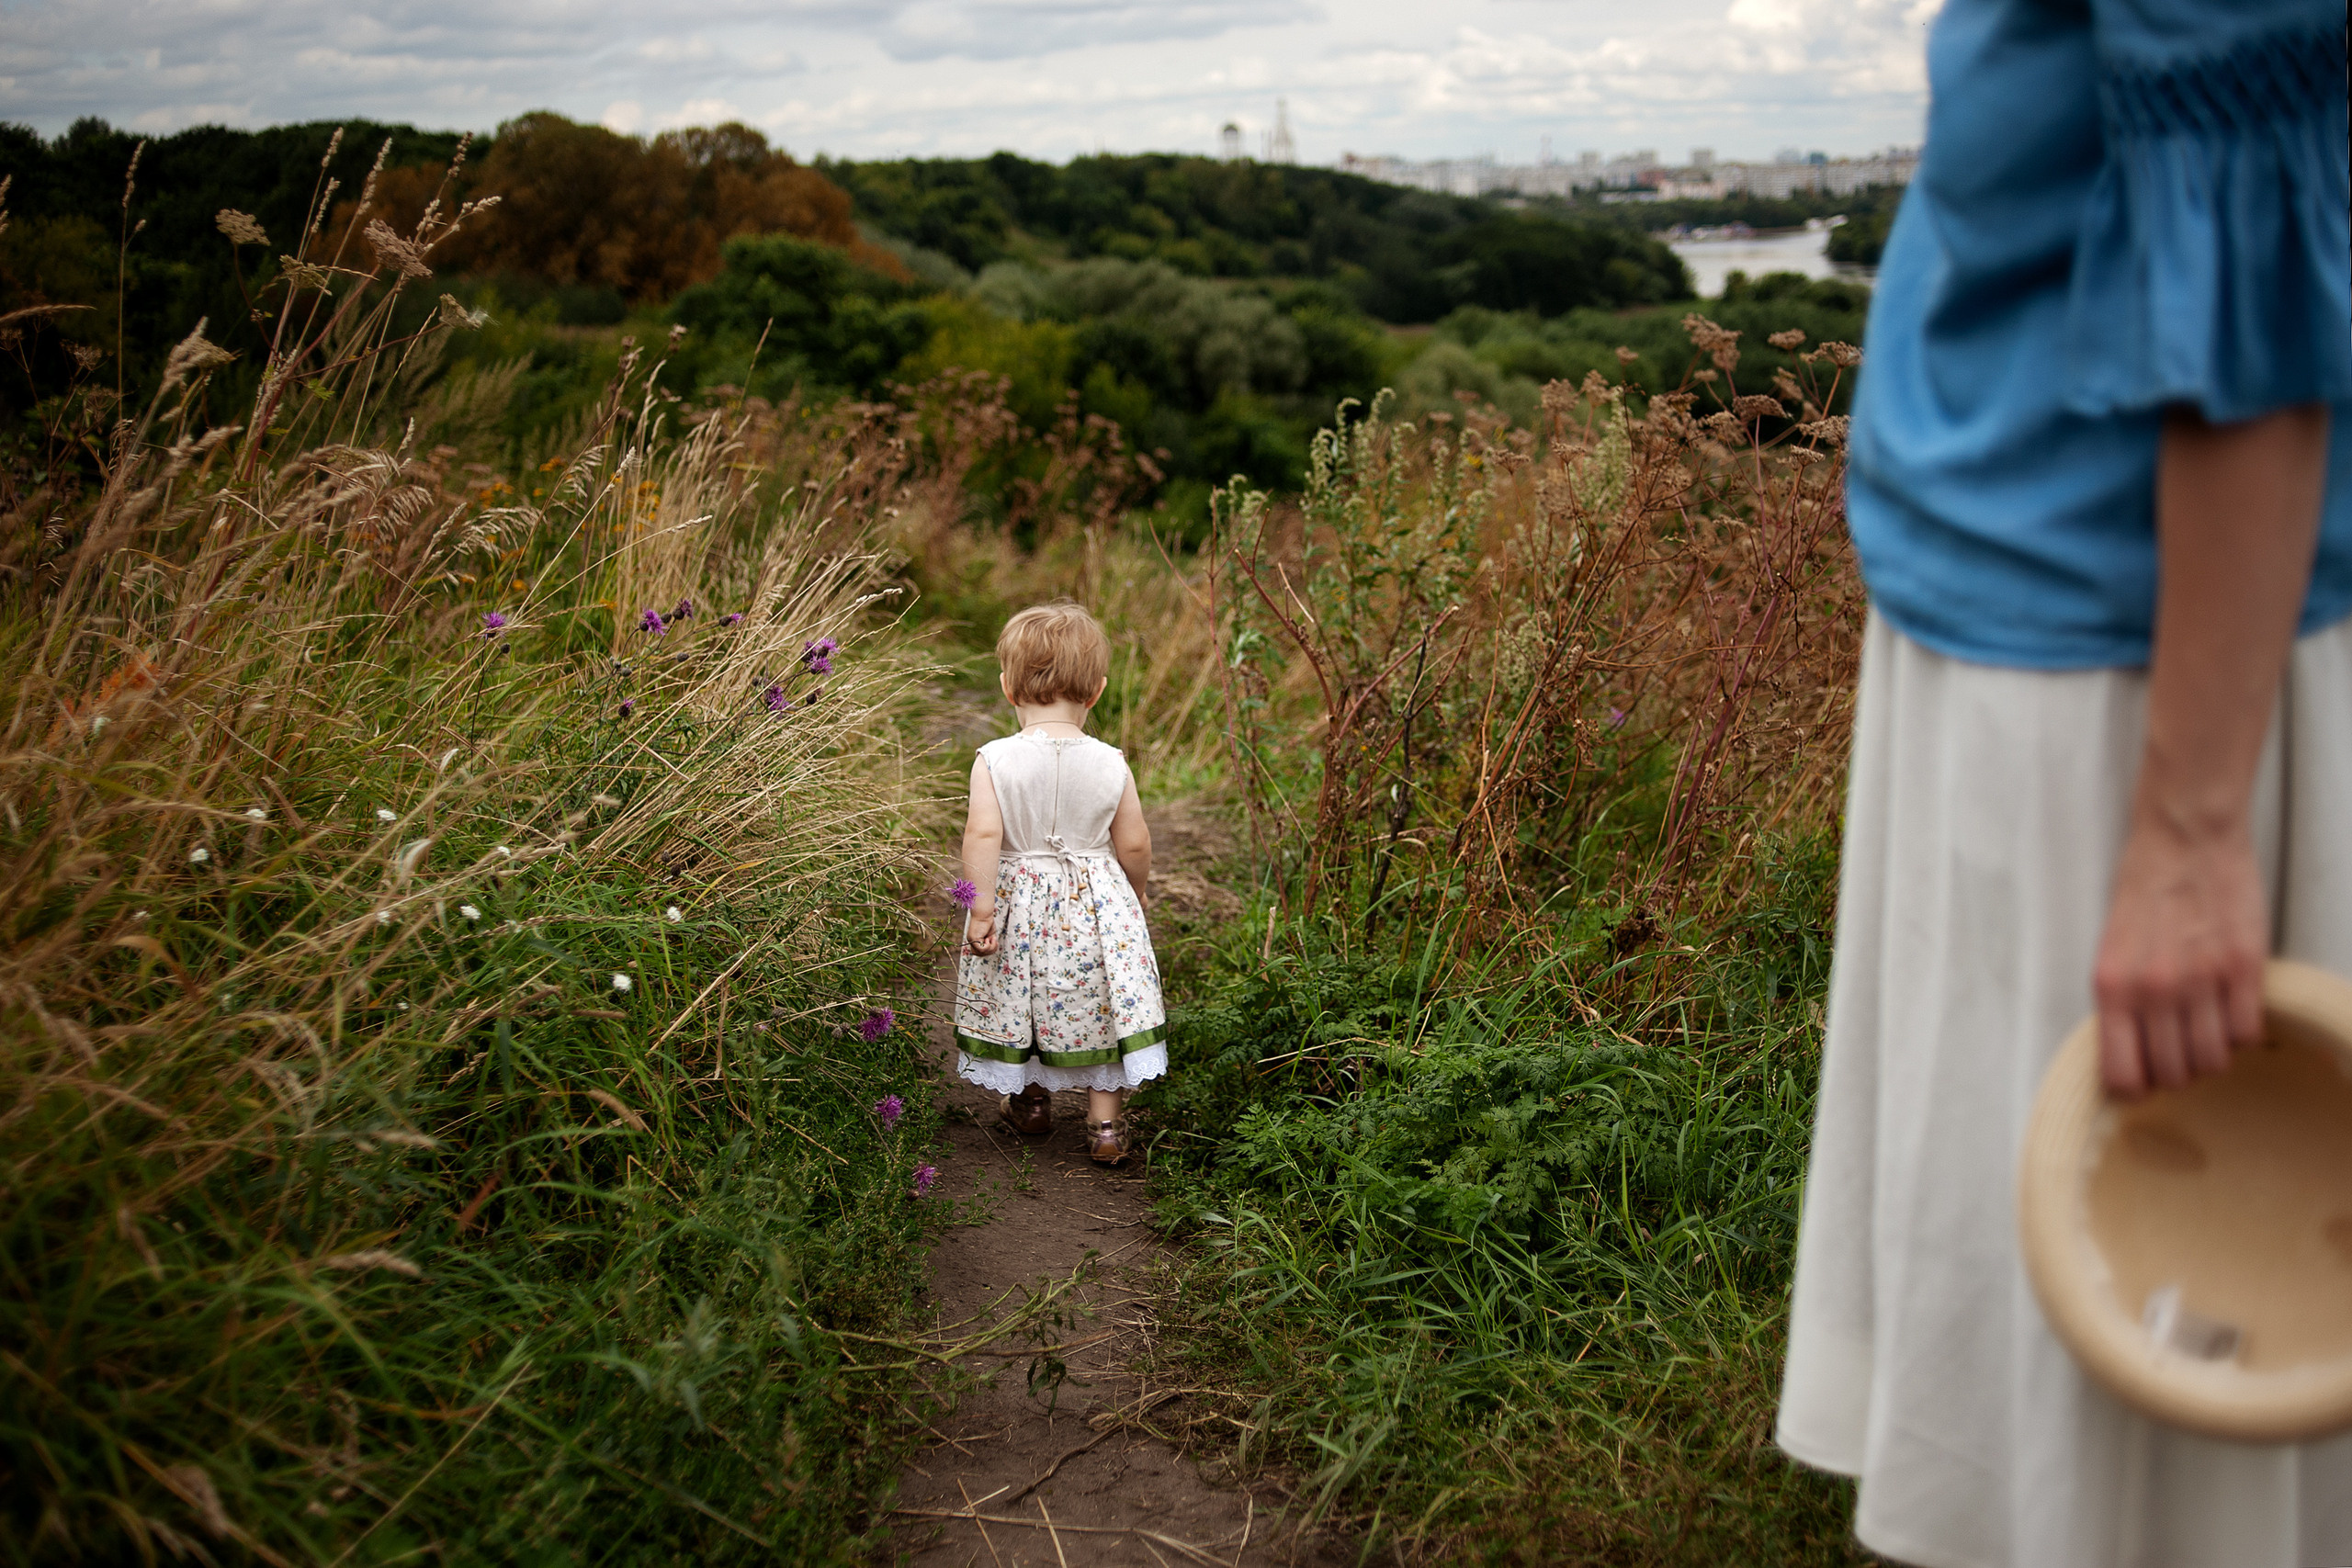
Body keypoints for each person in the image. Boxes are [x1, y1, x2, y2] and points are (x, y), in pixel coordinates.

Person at [1774, 1, 2351, 1564]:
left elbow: (2254, 329)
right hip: (2050, 635)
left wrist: (2189, 831)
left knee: (2133, 1352)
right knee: (2062, 1347)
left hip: (2120, 694)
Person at [953, 602, 1164, 1167]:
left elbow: (982, 834)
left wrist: (981, 909)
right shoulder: (1111, 761)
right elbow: (1136, 842)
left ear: (1007, 688)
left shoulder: (995, 759)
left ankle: (1031, 1103)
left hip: (1021, 900)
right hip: (1097, 902)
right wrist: (1135, 893)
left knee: (1023, 995)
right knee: (1100, 1001)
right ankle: (1105, 1127)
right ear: (1095, 691)